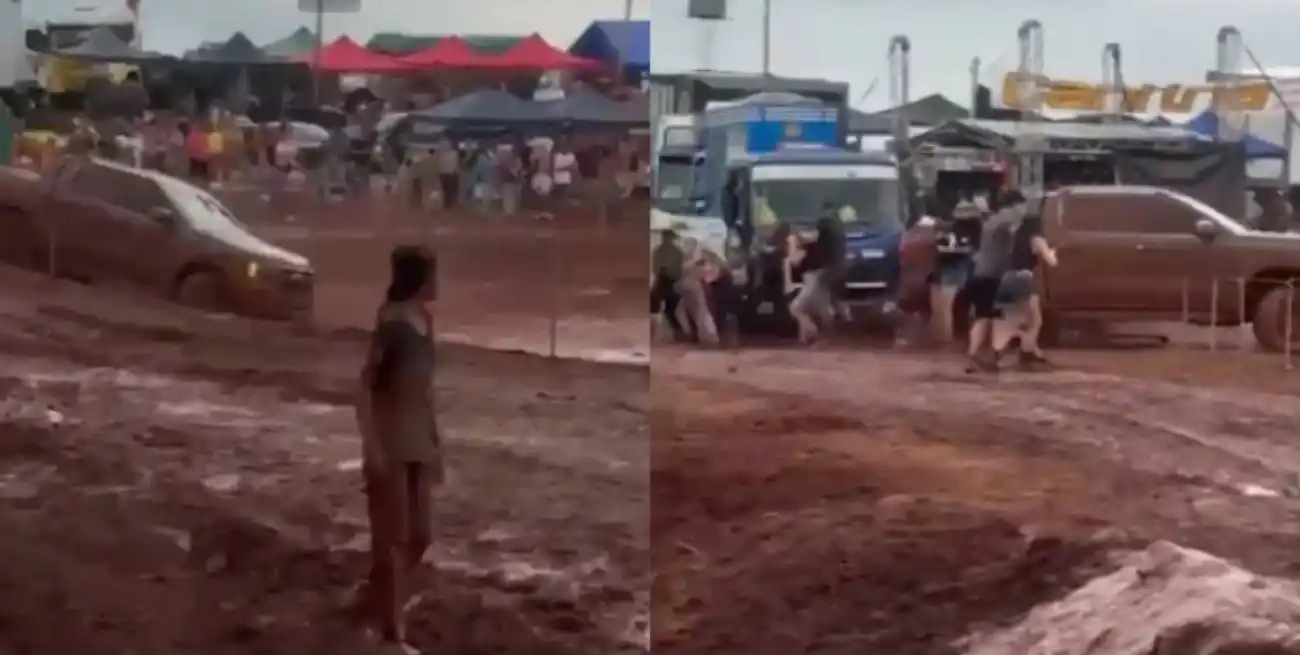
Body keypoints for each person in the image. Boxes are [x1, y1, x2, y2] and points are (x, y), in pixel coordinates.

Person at [354, 246, 443, 652]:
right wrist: (371, 447)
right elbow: (364, 388)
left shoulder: (425, 322)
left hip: (418, 441)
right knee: (394, 539)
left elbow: (425, 392)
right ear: (419, 279)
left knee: (420, 536)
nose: (438, 281)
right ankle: (393, 632)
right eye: (433, 274)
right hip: (390, 442)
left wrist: (436, 441)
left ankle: (374, 599)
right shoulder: (391, 325)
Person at [962, 189, 1026, 372]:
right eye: (1022, 206)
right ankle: (989, 354)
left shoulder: (991, 220)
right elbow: (1014, 232)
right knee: (996, 316)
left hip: (979, 274)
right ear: (1015, 205)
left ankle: (981, 355)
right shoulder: (1008, 218)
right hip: (991, 276)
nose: (1024, 210)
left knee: (987, 316)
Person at [997, 210, 1058, 368]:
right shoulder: (1037, 238)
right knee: (1035, 321)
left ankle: (1030, 350)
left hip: (1006, 278)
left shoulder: (1015, 238)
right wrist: (1052, 252)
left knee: (1018, 319)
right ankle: (1026, 353)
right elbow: (1052, 262)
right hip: (1023, 280)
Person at [930, 197, 984, 344]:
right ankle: (945, 340)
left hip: (952, 266)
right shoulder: (975, 228)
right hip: (958, 267)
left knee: (944, 306)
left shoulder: (959, 228)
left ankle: (944, 341)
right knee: (945, 307)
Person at [789, 209, 846, 344]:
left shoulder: (821, 246)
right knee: (823, 310)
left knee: (796, 309)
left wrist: (796, 234)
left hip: (816, 277)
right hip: (821, 276)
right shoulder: (831, 243)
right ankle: (822, 337)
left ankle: (814, 333)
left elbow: (804, 244)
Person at [650, 229, 688, 340]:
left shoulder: (662, 251)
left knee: (662, 308)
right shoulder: (673, 251)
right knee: (665, 309)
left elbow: (657, 269)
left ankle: (677, 332)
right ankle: (678, 332)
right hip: (668, 282)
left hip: (669, 282)